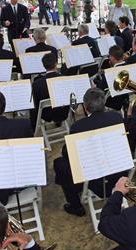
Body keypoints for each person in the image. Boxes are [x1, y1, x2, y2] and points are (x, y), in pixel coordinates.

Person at [53, 88, 127, 217]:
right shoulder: (117, 117)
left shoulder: (78, 127)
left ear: (86, 107)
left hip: (96, 178)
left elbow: (68, 154)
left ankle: (76, 205)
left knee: (60, 163)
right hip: (119, 172)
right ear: (104, 103)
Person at [31, 53, 70, 126]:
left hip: (46, 115)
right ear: (56, 63)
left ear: (43, 65)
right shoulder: (65, 79)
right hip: (63, 113)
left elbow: (35, 105)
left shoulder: (37, 84)